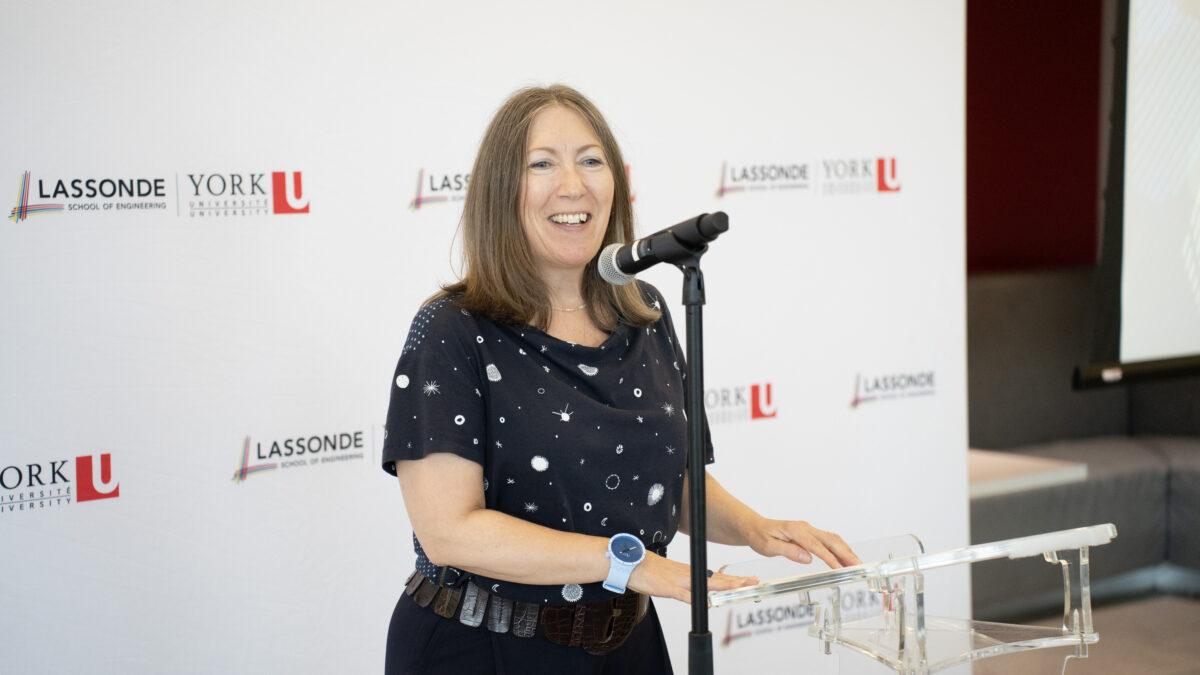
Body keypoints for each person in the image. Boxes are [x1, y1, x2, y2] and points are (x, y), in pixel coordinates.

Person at [381, 84, 860, 675]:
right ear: (499, 191)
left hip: (627, 644)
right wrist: (631, 564)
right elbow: (450, 533)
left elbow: (670, 485)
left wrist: (758, 527)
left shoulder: (647, 313)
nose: (573, 185)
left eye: (590, 160)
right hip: (484, 648)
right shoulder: (453, 329)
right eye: (541, 164)